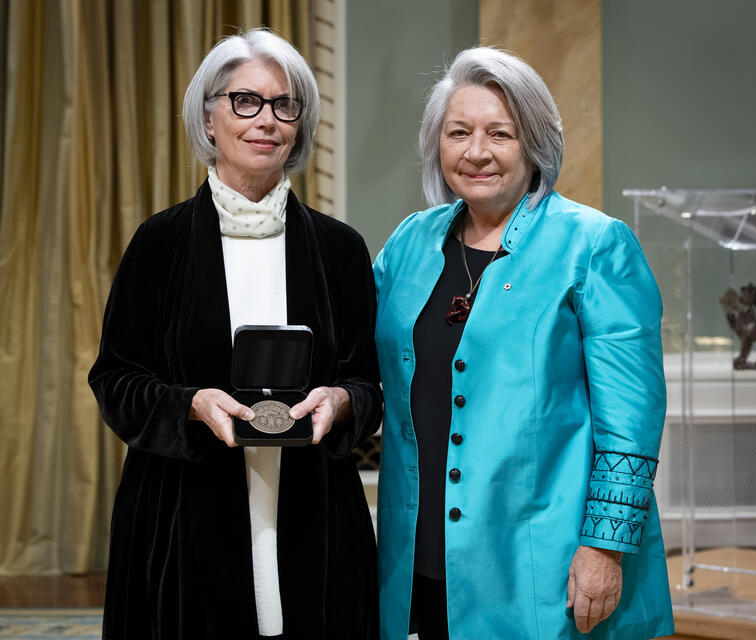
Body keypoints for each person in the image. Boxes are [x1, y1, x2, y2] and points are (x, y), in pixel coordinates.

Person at [89, 28, 381, 640]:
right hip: (182, 511)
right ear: (209, 117)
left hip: (315, 513)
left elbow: (369, 381)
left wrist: (343, 399)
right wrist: (188, 404)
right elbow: (115, 379)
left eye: (284, 104)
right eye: (244, 101)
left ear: (299, 124)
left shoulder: (339, 249)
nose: (266, 120)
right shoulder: (160, 243)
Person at [373, 47, 673, 639]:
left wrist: (604, 550)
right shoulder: (410, 241)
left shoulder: (594, 244)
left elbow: (631, 420)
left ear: (533, 142)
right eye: (458, 132)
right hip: (418, 556)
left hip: (547, 561)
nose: (476, 151)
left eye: (500, 133)